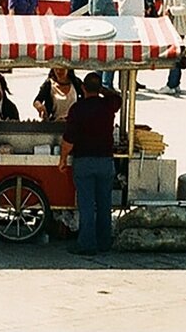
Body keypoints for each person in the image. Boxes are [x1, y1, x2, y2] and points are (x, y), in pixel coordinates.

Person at [59, 72, 122, 255]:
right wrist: (102, 89)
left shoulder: (77, 109)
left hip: (84, 161)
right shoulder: (108, 105)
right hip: (105, 161)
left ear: (83, 88)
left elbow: (69, 140)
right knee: (104, 204)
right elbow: (117, 98)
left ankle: (87, 244)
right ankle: (104, 241)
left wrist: (62, 159)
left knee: (86, 205)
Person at [160, 0, 186, 94]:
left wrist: (171, 10)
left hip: (179, 28)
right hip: (169, 29)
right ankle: (176, 83)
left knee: (175, 57)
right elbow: (163, 7)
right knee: (175, 56)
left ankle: (171, 84)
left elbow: (185, 8)